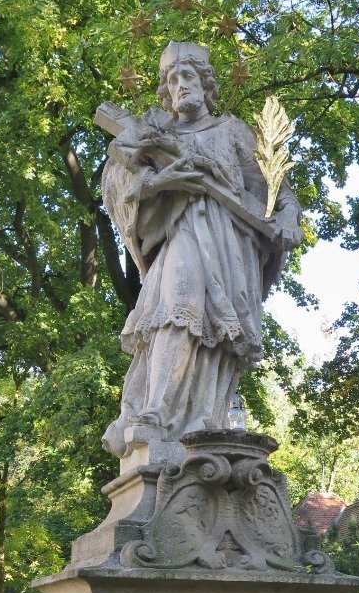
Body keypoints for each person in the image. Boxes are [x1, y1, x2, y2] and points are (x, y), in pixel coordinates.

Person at [101, 41, 302, 458]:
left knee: (216, 335)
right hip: (183, 230)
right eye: (172, 79)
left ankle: (202, 419)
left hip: (233, 242)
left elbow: (277, 191)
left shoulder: (231, 130)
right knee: (177, 305)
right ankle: (155, 412)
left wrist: (286, 219)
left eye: (188, 76)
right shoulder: (157, 133)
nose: (180, 85)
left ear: (207, 84)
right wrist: (161, 182)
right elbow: (120, 178)